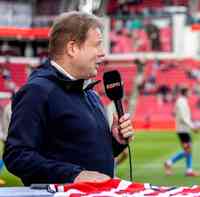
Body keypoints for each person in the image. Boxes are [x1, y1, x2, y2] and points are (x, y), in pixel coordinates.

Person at [3, 11, 134, 186]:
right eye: (97, 45)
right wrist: (73, 176)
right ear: (72, 48)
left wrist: (115, 142)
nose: (103, 53)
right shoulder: (38, 91)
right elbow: (17, 155)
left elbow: (84, 152)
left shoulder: (89, 92)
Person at [164, 87, 200, 177]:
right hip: (183, 129)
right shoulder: (182, 102)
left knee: (188, 149)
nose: (190, 93)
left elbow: (174, 113)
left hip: (183, 129)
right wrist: (192, 127)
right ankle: (169, 162)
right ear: (185, 92)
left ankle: (188, 170)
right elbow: (184, 118)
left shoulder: (181, 101)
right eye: (189, 92)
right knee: (188, 149)